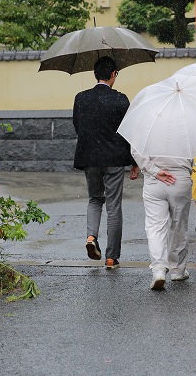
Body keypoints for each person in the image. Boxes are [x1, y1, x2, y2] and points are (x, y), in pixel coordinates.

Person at [73, 56, 139, 269]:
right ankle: (111, 257)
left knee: (94, 199)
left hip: (89, 158)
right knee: (113, 206)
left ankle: (91, 237)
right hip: (114, 159)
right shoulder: (120, 99)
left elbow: (78, 126)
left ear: (95, 74)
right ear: (113, 75)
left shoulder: (81, 98)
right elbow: (129, 132)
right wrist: (134, 161)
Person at [131, 150, 192, 290]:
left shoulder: (146, 127)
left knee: (155, 226)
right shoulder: (185, 127)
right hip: (180, 176)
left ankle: (158, 269)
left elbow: (136, 150)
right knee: (179, 224)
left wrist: (153, 170)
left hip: (154, 179)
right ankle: (177, 270)